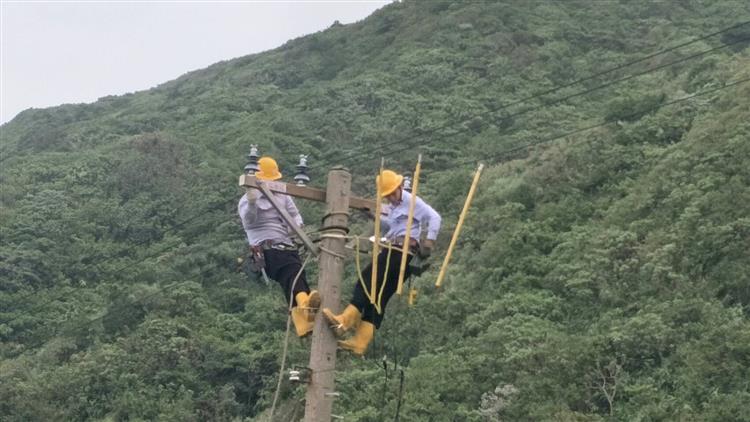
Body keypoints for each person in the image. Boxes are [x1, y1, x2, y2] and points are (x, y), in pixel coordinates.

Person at [322, 169, 441, 355]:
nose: (391, 198)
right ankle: (360, 342)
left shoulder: (411, 201)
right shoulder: (393, 207)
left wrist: (430, 241)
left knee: (366, 281)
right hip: (398, 250)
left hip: (400, 251)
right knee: (378, 298)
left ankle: (344, 321)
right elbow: (392, 227)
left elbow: (435, 217)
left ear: (400, 187)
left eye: (393, 193)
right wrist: (374, 216)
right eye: (388, 195)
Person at [238, 156, 320, 337]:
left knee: (295, 278)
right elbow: (249, 221)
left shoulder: (283, 195)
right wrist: (252, 202)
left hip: (287, 246)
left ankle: (302, 322)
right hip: (267, 250)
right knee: (292, 273)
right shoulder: (248, 200)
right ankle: (305, 306)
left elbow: (295, 215)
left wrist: (296, 228)